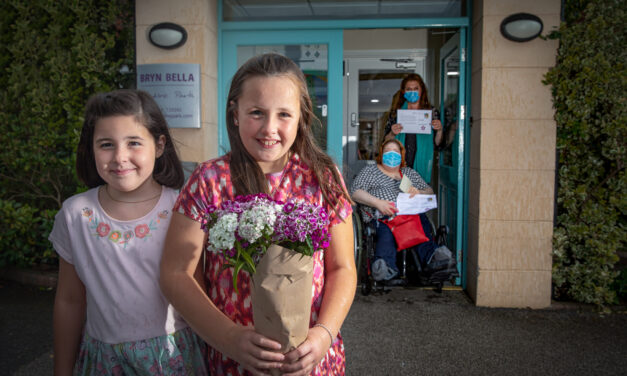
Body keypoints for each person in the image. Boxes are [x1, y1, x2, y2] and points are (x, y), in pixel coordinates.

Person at [160, 53, 357, 376]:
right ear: (234, 113)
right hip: (233, 359)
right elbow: (175, 273)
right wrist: (228, 337)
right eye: (256, 113)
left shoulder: (323, 177)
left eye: (284, 114)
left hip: (311, 358)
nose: (270, 128)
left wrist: (323, 335)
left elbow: (343, 267)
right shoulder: (209, 181)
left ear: (301, 118)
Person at [49, 90, 208, 375]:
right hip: (103, 361)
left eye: (134, 142)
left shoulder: (182, 207)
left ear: (159, 145)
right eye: (106, 144)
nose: (120, 157)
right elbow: (70, 299)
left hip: (173, 358)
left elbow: (198, 291)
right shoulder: (75, 215)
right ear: (91, 148)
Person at [351, 138, 438, 283]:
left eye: (396, 152)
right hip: (384, 216)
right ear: (381, 154)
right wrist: (378, 203)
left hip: (411, 217)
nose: (392, 154)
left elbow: (429, 191)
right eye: (387, 151)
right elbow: (355, 191)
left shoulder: (408, 173)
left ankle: (434, 259)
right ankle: (386, 268)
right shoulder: (371, 170)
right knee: (386, 231)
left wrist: (419, 193)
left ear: (402, 155)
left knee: (422, 227)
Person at [383, 73, 443, 184]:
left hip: (422, 163)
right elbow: (385, 141)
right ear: (403, 92)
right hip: (400, 163)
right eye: (409, 89)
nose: (412, 92)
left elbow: (438, 144)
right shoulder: (396, 113)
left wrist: (439, 130)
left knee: (417, 196)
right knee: (399, 197)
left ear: (422, 91)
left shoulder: (431, 112)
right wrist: (392, 133)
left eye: (416, 88)